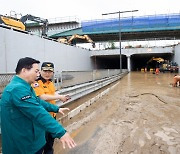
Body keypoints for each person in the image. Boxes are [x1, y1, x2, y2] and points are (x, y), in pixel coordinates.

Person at [0, 57, 76, 154]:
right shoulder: (17, 89)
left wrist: (56, 109)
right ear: (24, 70)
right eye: (36, 71)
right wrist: (61, 132)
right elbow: (37, 112)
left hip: (31, 140)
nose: (38, 74)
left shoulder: (24, 86)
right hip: (23, 146)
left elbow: (38, 102)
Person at [32, 62, 71, 154]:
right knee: (42, 143)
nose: (47, 73)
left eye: (50, 71)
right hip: (42, 118)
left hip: (52, 116)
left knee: (50, 141)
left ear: (53, 73)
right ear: (40, 71)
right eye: (45, 71)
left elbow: (53, 93)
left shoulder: (50, 83)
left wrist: (62, 96)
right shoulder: (37, 83)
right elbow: (42, 97)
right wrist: (59, 97)